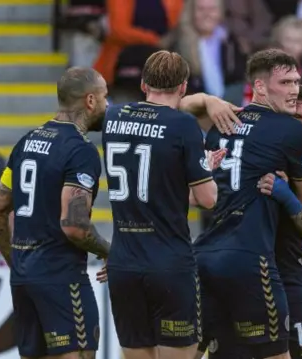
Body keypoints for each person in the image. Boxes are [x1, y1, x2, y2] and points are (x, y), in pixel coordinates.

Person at [194, 48, 302, 359]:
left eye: (296, 82)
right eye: (286, 82)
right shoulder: (289, 132)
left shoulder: (222, 123)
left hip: (205, 255)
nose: (293, 90)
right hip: (253, 261)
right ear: (260, 86)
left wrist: (206, 101)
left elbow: (202, 199)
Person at [0, 67, 110, 359]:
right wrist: (110, 250)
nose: (108, 104)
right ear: (90, 101)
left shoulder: (27, 143)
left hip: (24, 280)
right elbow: (74, 226)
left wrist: (17, 262)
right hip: (61, 280)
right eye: (105, 97)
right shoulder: (81, 151)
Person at [103, 50, 219, 359]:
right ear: (183, 87)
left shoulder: (113, 117)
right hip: (169, 263)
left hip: (123, 263)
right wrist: (205, 166)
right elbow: (207, 199)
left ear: (143, 84)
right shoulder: (184, 125)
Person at [258, 84, 302, 358]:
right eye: (298, 118)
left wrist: (287, 196)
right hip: (250, 279)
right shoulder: (256, 158)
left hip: (291, 280)